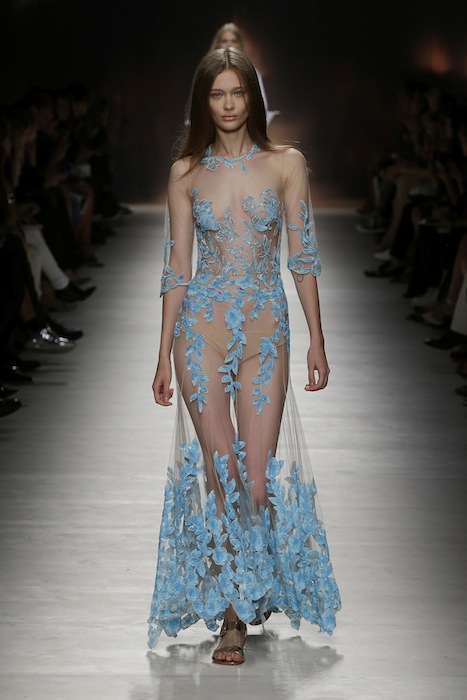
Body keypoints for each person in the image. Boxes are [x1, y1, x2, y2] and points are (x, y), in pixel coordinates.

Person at [148, 47, 341, 666]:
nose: (228, 105)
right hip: (200, 331)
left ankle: (250, 582)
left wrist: (316, 337)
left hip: (265, 331)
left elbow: (302, 258)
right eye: (217, 94)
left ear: (253, 97)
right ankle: (232, 616)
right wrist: (161, 353)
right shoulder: (186, 172)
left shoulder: (287, 165)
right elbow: (178, 267)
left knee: (255, 482)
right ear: (203, 102)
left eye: (237, 92)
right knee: (222, 470)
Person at [209, 22, 280, 127]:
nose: (229, 45)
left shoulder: (251, 72)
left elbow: (261, 106)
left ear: (240, 44)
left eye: (233, 41)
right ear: (217, 44)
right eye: (224, 41)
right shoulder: (207, 72)